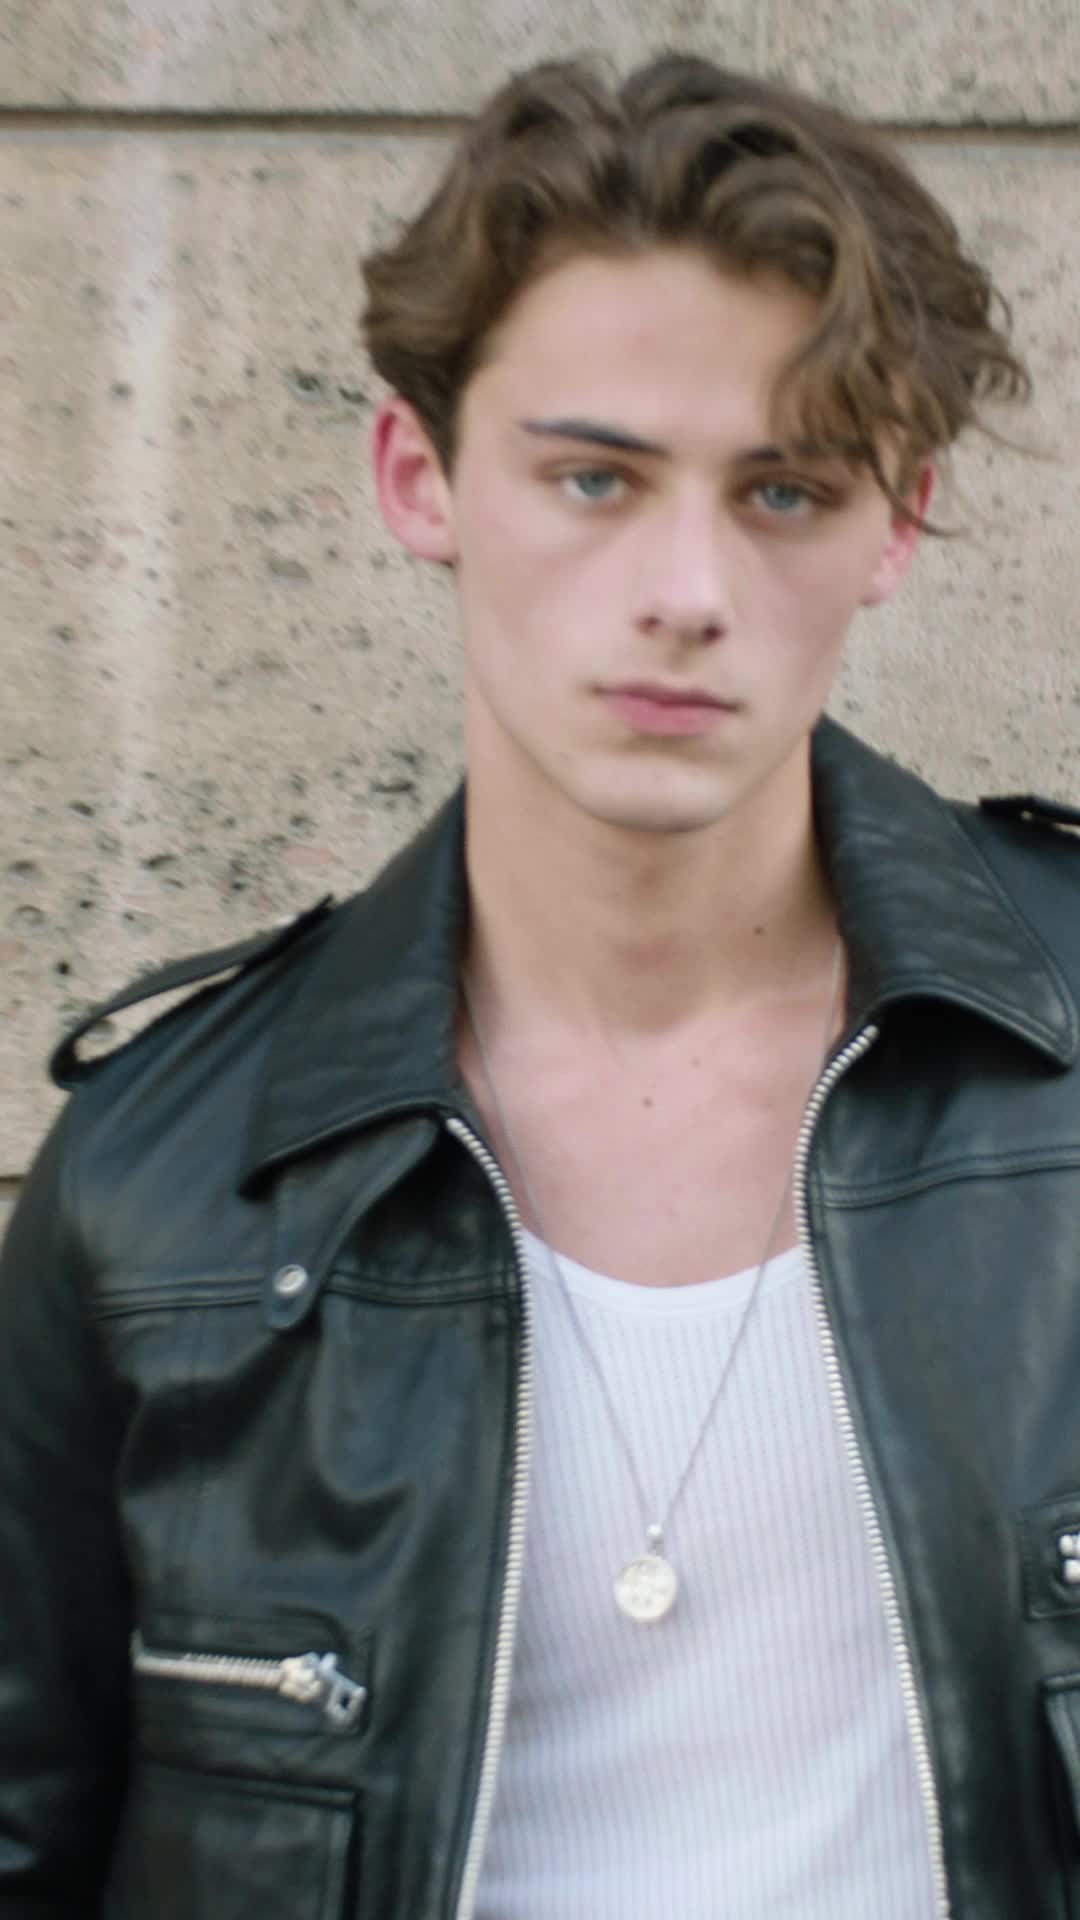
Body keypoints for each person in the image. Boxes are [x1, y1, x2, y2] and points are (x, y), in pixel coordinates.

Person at [1, 48, 1078, 1920]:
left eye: (785, 491)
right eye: (595, 477)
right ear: (419, 477)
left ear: (896, 526)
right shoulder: (161, 1188)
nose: (686, 588)